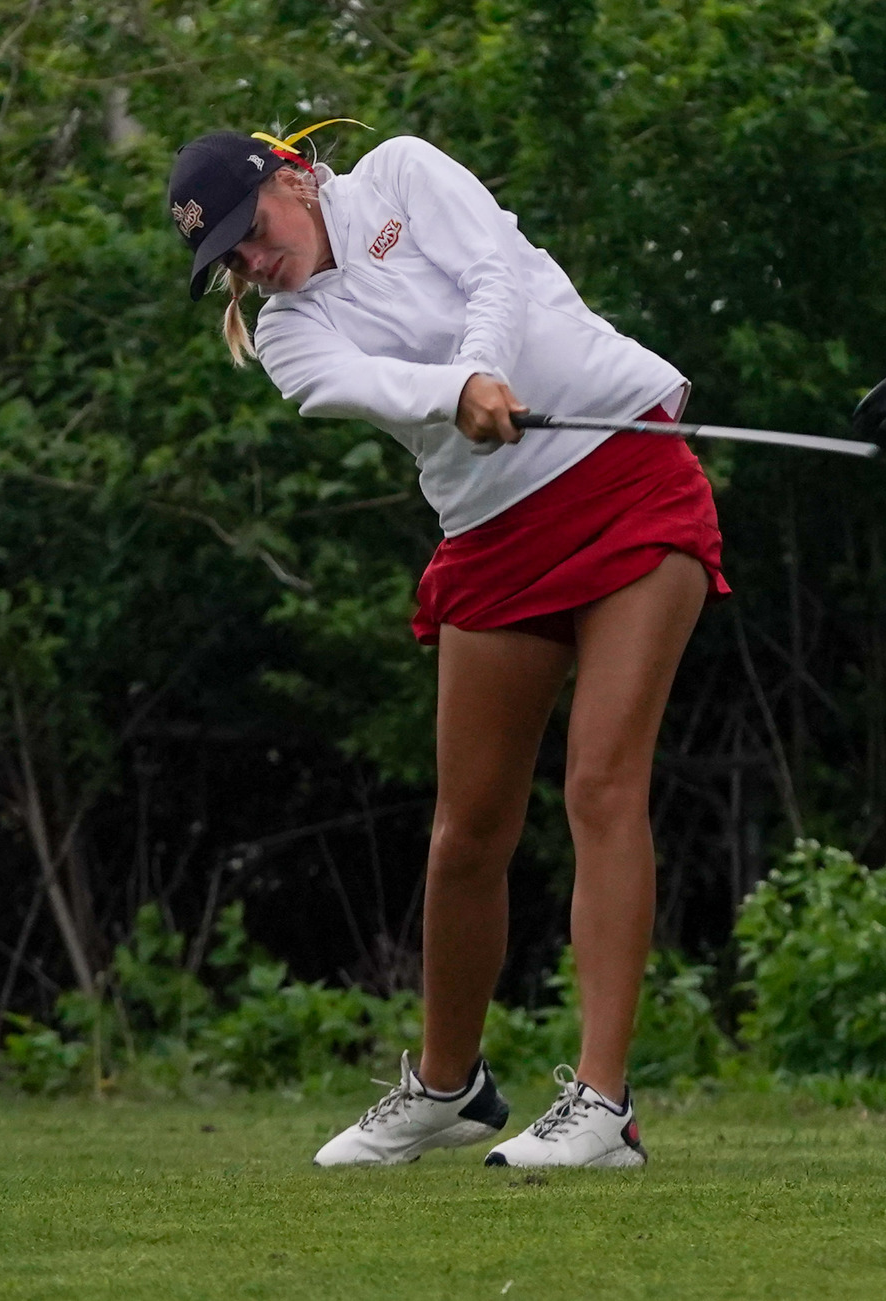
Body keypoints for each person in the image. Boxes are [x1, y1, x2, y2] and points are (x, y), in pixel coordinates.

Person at [167, 122, 729, 1169]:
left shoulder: (402, 171)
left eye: (250, 229)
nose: (249, 259)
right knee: (465, 832)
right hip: (492, 537)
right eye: (228, 259)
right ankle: (448, 1084)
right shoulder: (287, 337)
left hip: (629, 472)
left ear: (293, 178)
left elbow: (495, 276)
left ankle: (603, 1104)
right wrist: (455, 395)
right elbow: (371, 389)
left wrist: (479, 366)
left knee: (601, 785)